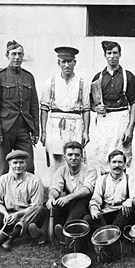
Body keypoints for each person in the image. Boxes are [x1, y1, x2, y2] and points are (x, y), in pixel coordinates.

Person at [0, 40, 39, 180]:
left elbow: (34, 105)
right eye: (14, 54)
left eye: (20, 54)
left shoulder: (28, 77)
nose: (17, 57)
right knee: (3, 166)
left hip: (23, 128)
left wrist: (35, 130)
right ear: (7, 56)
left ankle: (29, 197)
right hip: (5, 129)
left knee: (28, 165)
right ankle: (0, 199)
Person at [0, 150, 46, 250]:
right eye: (15, 163)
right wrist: (5, 214)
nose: (18, 166)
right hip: (5, 216)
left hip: (24, 217)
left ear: (26, 164)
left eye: (21, 162)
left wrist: (17, 215)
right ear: (9, 164)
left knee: (39, 208)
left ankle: (11, 237)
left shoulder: (35, 181)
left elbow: (35, 206)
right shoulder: (3, 179)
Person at [88, 41, 135, 174]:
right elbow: (91, 103)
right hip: (104, 120)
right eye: (109, 53)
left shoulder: (128, 76)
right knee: (103, 153)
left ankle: (121, 189)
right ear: (105, 55)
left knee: (121, 153)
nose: (112, 56)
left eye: (115, 53)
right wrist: (95, 108)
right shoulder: (98, 77)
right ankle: (105, 188)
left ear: (120, 55)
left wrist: (130, 128)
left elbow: (134, 103)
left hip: (121, 118)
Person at [40, 46, 91, 174]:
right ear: (59, 63)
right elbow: (44, 108)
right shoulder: (50, 83)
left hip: (75, 124)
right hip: (56, 124)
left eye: (70, 61)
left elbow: (86, 109)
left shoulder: (82, 83)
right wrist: (44, 131)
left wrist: (86, 132)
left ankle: (75, 189)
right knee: (57, 157)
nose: (67, 65)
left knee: (75, 156)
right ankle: (58, 186)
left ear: (75, 62)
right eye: (63, 62)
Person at [46, 141, 97, 242]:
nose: (73, 158)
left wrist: (68, 197)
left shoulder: (90, 170)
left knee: (81, 200)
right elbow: (55, 188)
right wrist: (51, 197)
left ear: (82, 157)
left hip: (86, 204)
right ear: (64, 157)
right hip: (70, 203)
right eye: (70, 155)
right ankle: (56, 230)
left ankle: (66, 232)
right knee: (54, 203)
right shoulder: (61, 170)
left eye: (77, 155)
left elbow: (87, 190)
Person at [84, 150, 135, 233]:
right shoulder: (101, 180)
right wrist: (93, 209)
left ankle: (108, 235)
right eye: (114, 162)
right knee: (87, 219)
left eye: (120, 162)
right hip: (106, 212)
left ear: (125, 165)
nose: (117, 165)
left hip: (122, 213)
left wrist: (130, 200)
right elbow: (95, 200)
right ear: (109, 164)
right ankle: (111, 233)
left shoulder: (130, 179)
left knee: (126, 212)